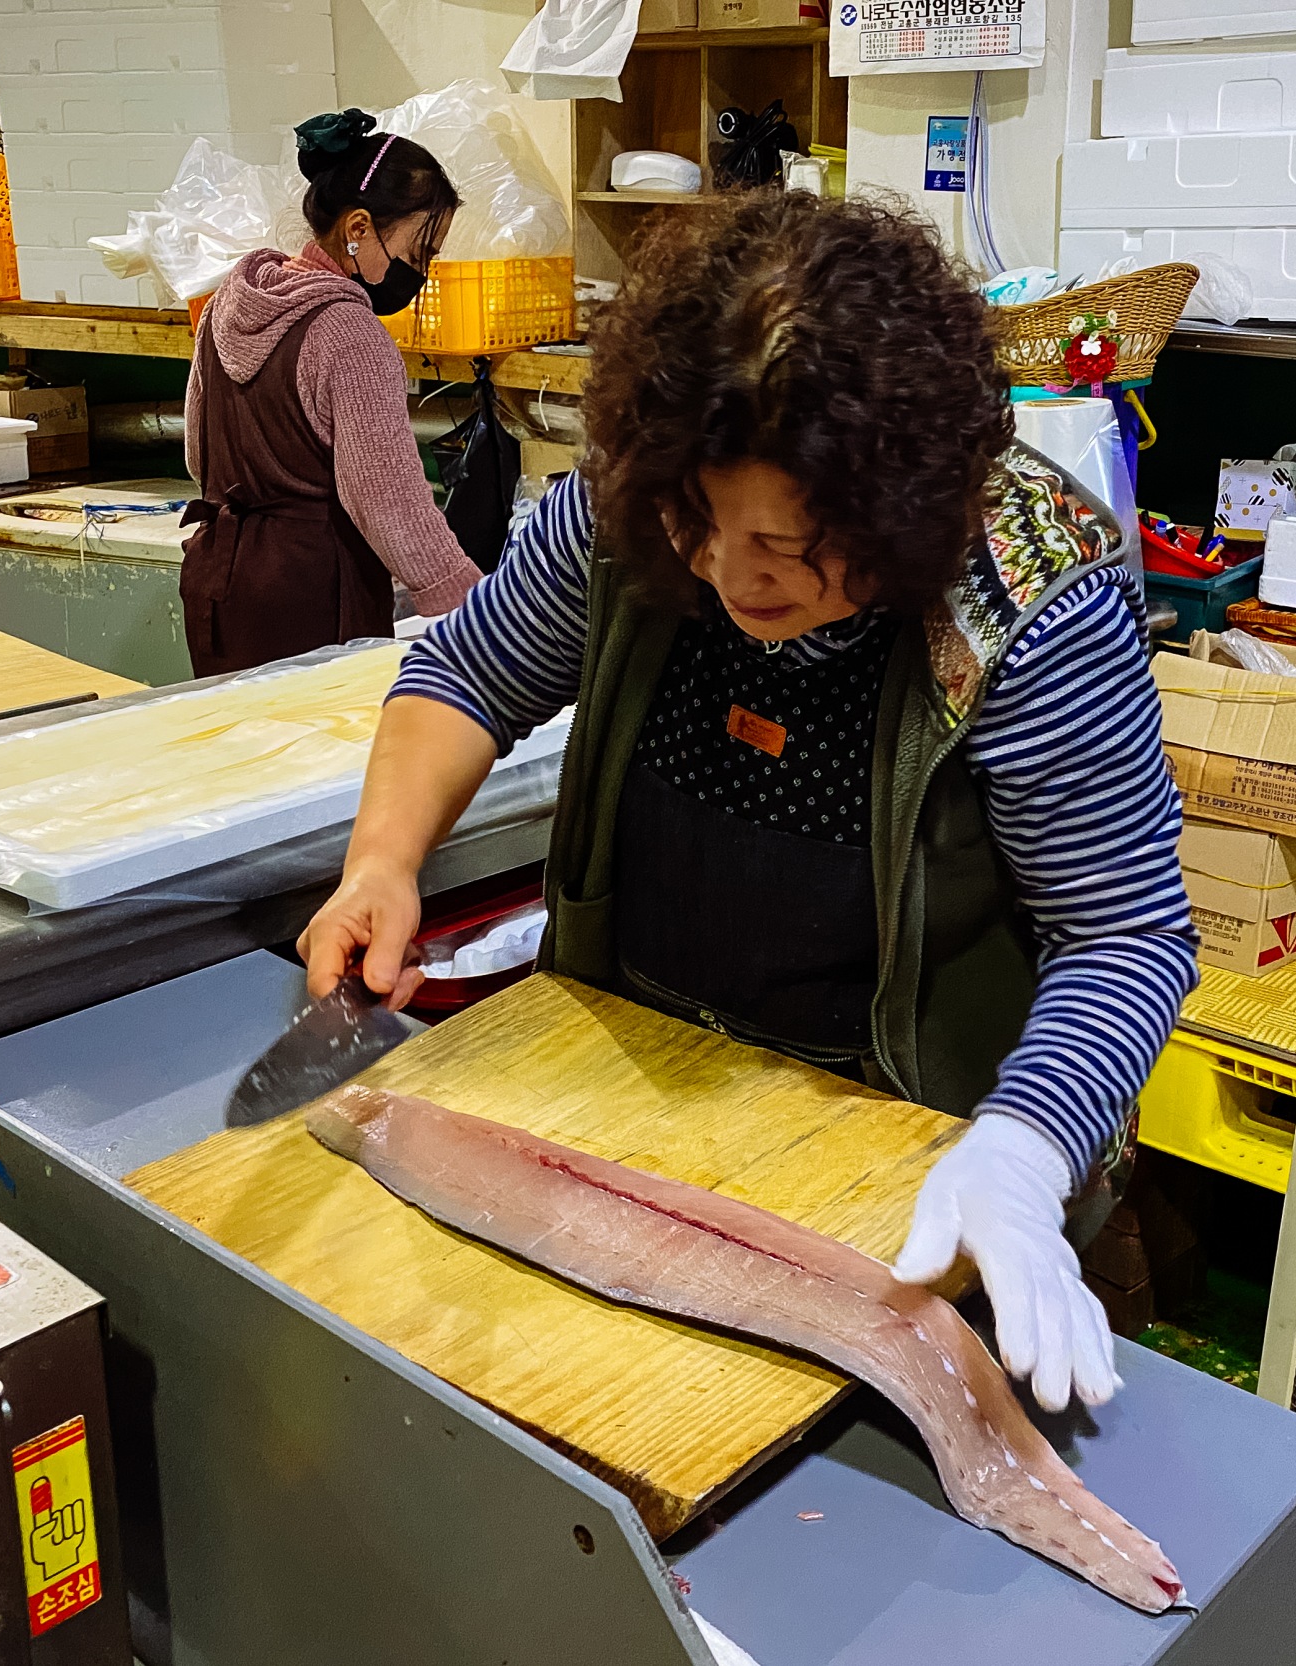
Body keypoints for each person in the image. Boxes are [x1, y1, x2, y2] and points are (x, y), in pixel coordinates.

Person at [297, 191, 1199, 1415]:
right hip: (631, 1104)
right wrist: (382, 861)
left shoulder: (1031, 596)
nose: (730, 571)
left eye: (784, 541)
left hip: (908, 1151)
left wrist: (1024, 1150)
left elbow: (1125, 937)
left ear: (894, 506)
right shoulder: (639, 495)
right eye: (700, 524)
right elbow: (468, 675)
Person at [179, 109, 484, 676]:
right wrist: (468, 600)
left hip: (219, 582)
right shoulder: (349, 332)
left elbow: (199, 455)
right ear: (359, 228)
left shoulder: (225, 304)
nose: (420, 272)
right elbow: (386, 498)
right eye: (420, 252)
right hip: (313, 594)